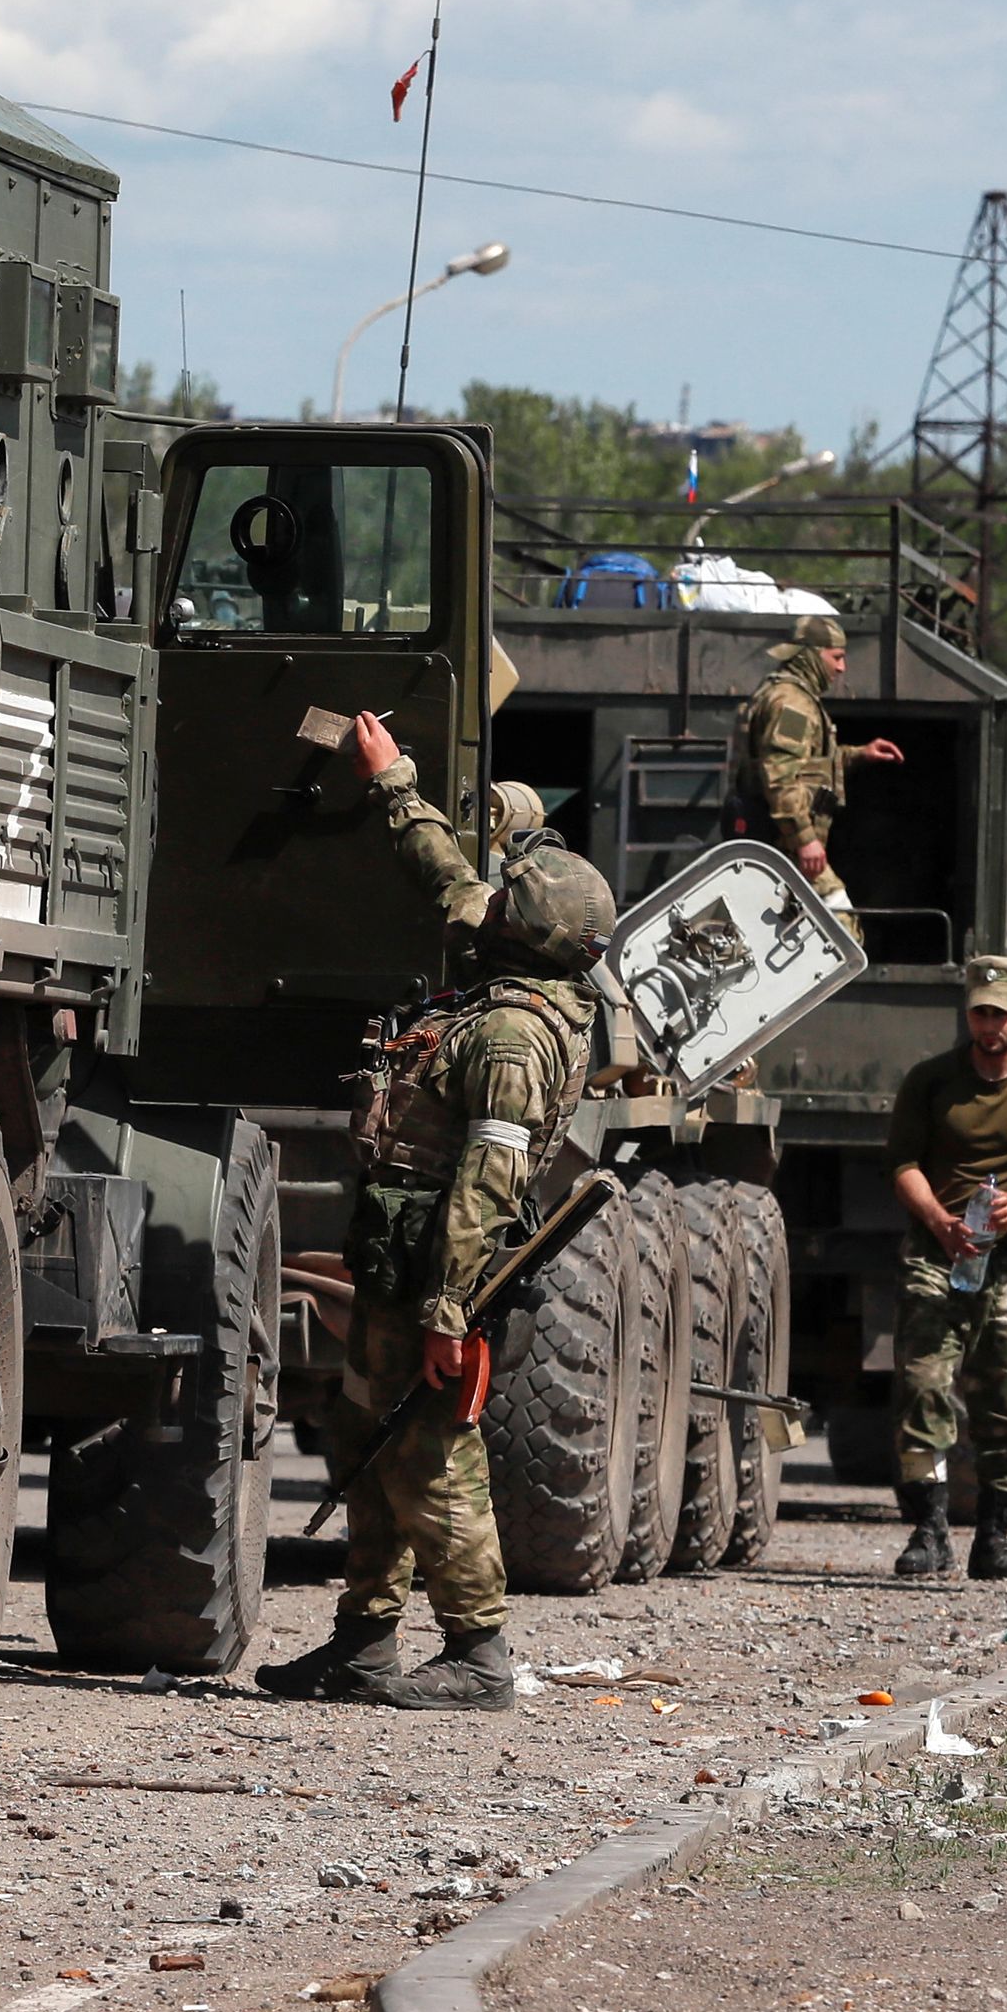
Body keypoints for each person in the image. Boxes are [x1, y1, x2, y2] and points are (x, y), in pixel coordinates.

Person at [256, 715, 616, 1711]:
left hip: (436, 1271)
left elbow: (487, 1184)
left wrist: (448, 1310)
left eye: (509, 898)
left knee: (428, 1454)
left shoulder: (511, 1037)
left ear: (525, 931)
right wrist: (394, 784)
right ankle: (365, 1641)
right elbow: (448, 878)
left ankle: (478, 1650)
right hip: (401, 1255)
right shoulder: (517, 974)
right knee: (366, 1440)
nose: (489, 899)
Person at [881, 956, 1007, 1580]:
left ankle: (996, 1537)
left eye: (1000, 1014)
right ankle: (929, 1529)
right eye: (979, 1013)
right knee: (923, 1384)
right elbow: (903, 1163)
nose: (989, 1026)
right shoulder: (932, 1081)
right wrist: (940, 1221)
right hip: (938, 1252)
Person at [735, 613, 903, 937]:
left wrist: (860, 754)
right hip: (784, 844)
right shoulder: (792, 706)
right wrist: (805, 840)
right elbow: (780, 777)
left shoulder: (793, 697)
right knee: (843, 932)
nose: (842, 668)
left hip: (783, 844)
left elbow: (808, 765)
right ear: (812, 655)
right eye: (836, 657)